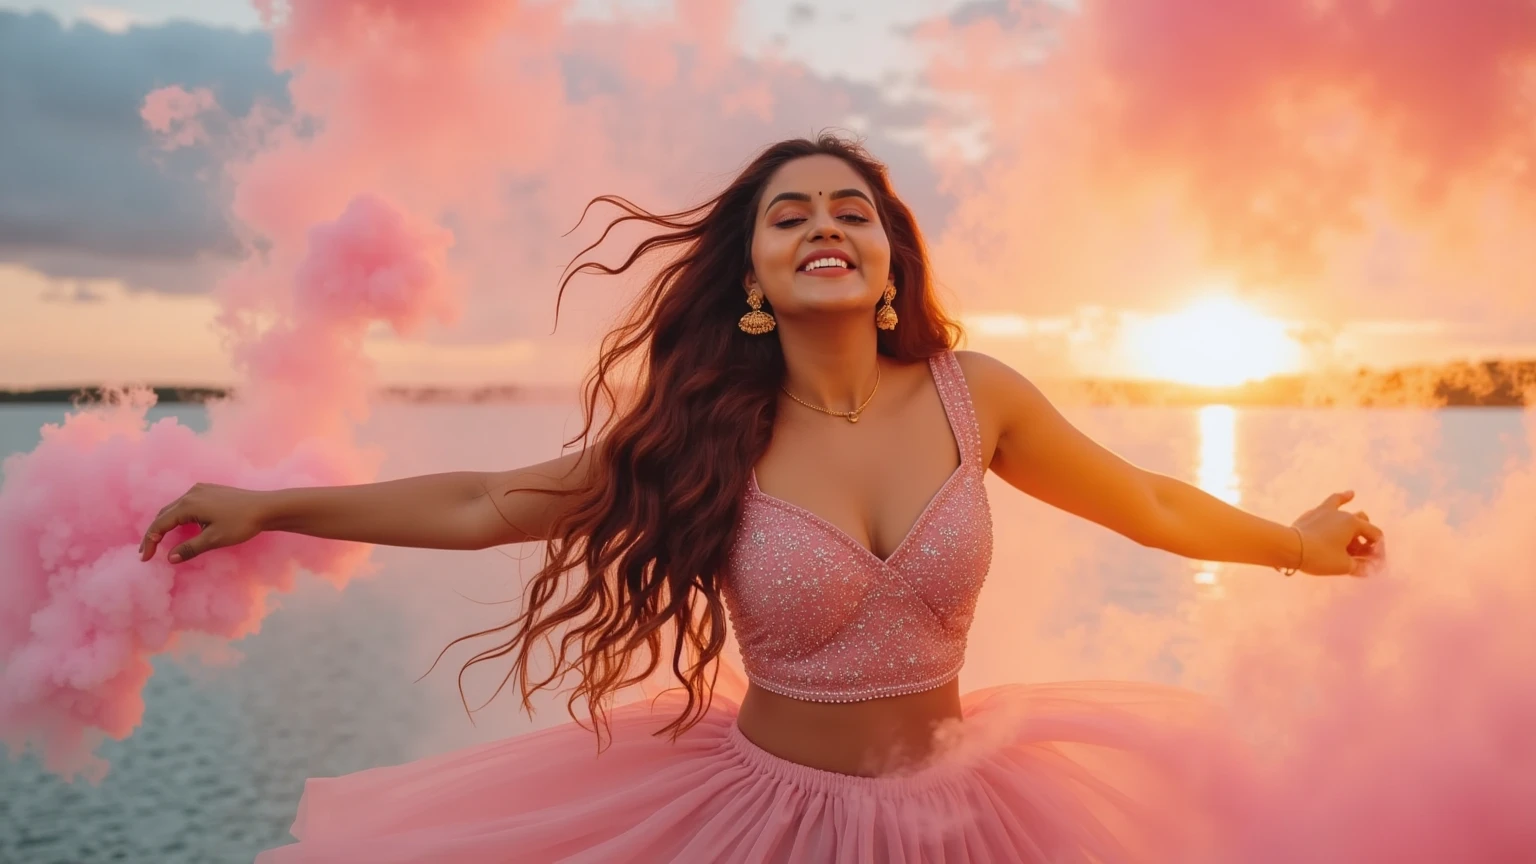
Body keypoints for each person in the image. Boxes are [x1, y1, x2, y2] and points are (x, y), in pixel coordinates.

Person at [139, 134, 1383, 863]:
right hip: (767, 827)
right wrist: (275, 507)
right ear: (754, 271)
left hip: (976, 816)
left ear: (891, 256)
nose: (825, 224)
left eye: (854, 208)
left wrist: (1295, 547)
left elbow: (1152, 505)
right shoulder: (706, 434)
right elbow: (481, 501)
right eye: (791, 214)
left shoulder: (976, 395)